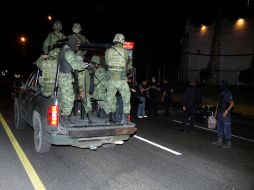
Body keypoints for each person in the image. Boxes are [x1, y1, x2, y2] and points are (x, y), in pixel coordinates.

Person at [104, 33, 132, 124]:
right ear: (122, 41)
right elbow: (128, 67)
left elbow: (106, 63)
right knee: (126, 98)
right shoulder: (125, 51)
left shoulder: (108, 51)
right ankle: (125, 119)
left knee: (109, 99)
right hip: (122, 80)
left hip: (111, 79)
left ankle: (107, 118)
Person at [58, 37, 87, 123]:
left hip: (63, 77)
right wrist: (84, 64)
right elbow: (75, 65)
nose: (77, 47)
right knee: (69, 98)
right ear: (73, 44)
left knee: (63, 98)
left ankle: (62, 116)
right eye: (77, 45)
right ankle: (65, 119)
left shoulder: (63, 50)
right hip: (65, 78)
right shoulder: (69, 52)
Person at [213, 80, 234, 148]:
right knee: (219, 127)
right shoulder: (220, 92)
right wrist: (216, 110)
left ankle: (228, 143)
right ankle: (219, 140)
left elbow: (232, 104)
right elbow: (218, 102)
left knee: (226, 128)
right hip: (219, 112)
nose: (220, 86)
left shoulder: (228, 93)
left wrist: (226, 111)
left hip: (225, 113)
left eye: (221, 85)